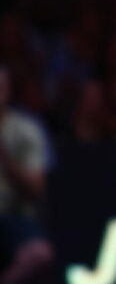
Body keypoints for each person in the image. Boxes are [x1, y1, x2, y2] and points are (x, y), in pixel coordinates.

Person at [0, 65, 55, 284]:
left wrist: (6, 162)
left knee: (39, 254)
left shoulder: (26, 130)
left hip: (11, 214)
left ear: (8, 90)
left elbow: (37, 189)